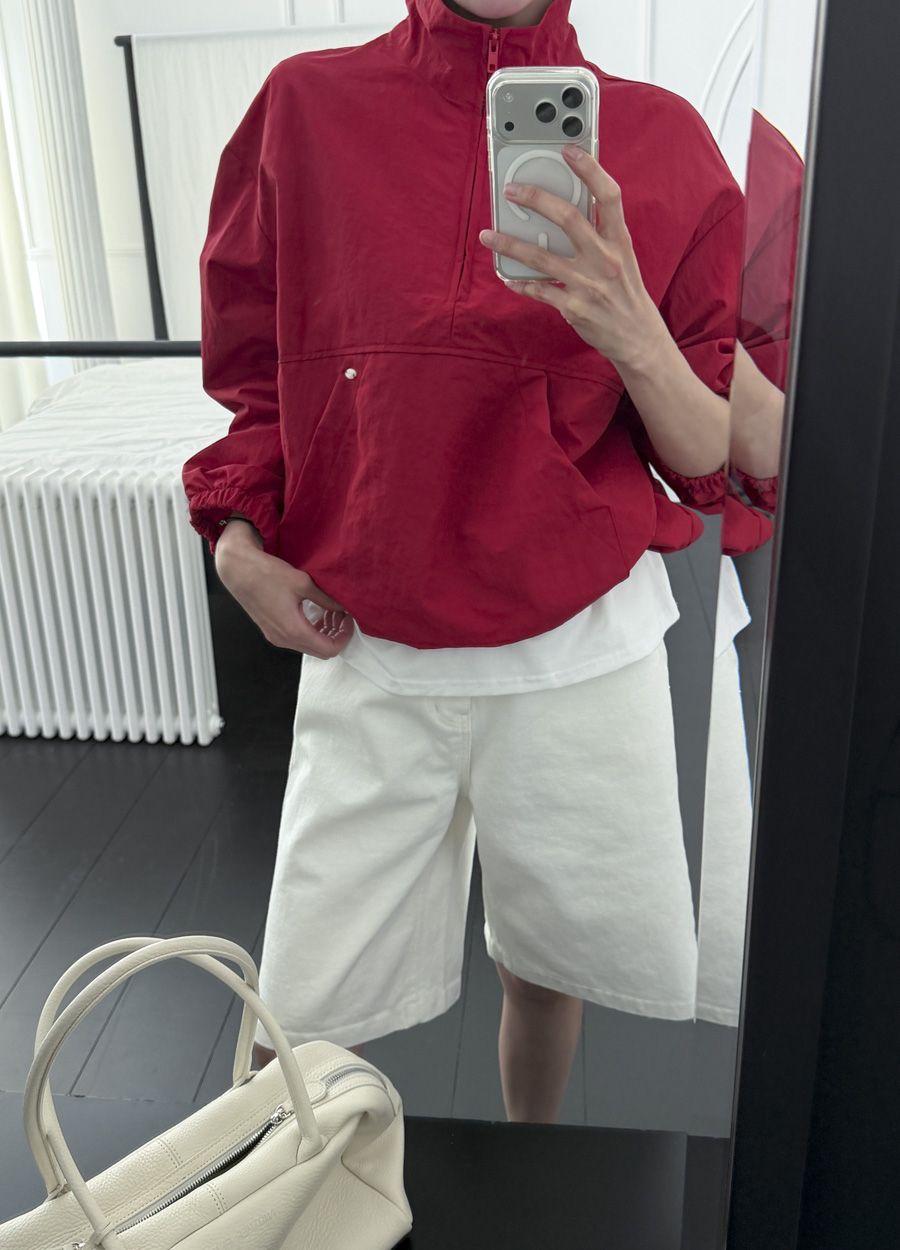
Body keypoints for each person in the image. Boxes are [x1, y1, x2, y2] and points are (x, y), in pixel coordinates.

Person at [182, 0, 744, 1124]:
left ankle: (534, 1159)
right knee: (299, 1012)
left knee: (545, 968)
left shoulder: (665, 141)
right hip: (370, 635)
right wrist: (235, 541)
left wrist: (629, 325)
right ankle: (287, 1191)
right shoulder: (306, 109)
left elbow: (709, 456)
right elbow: (254, 377)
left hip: (578, 639)